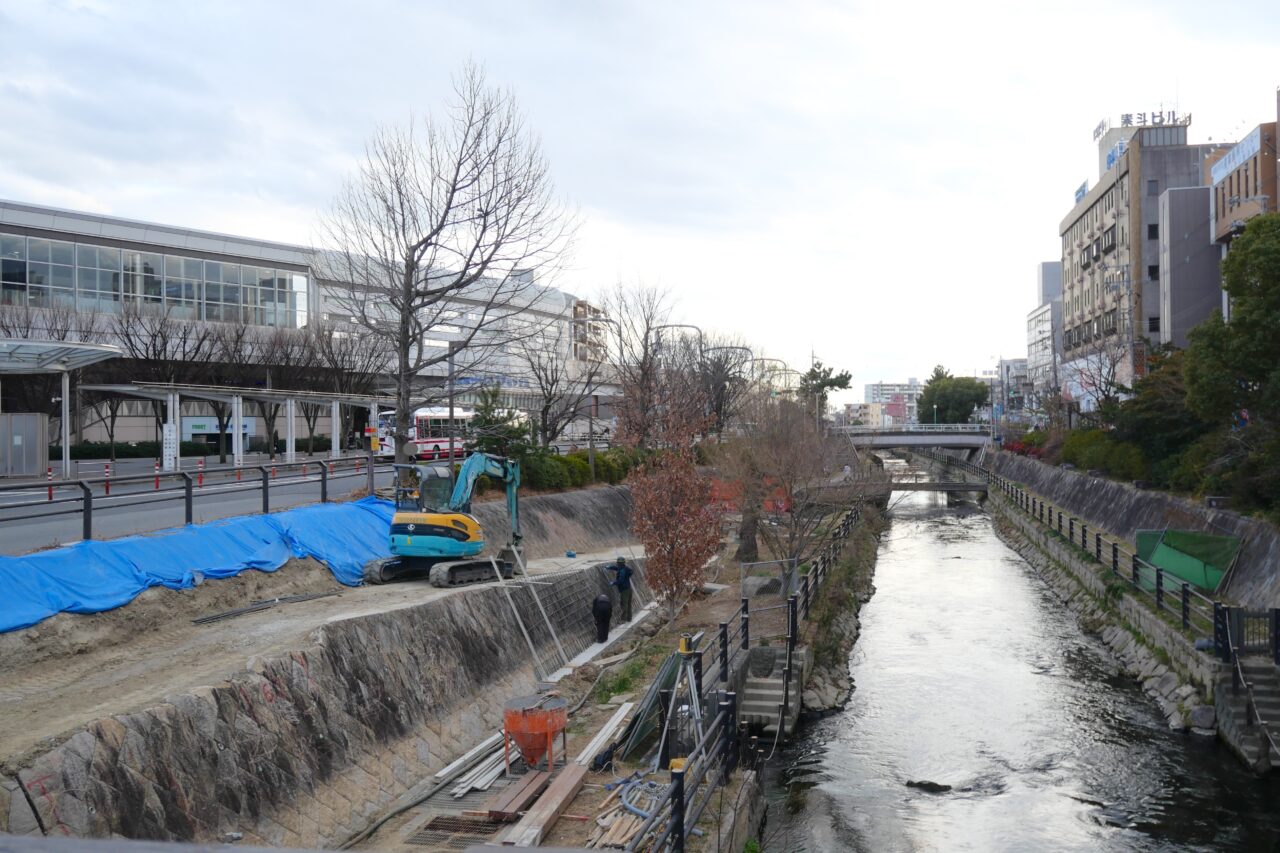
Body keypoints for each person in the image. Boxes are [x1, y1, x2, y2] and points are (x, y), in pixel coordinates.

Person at [607, 556, 633, 622]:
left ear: (619, 563)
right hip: (629, 589)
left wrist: (613, 583)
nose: (617, 564)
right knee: (628, 604)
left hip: (624, 591)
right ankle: (629, 618)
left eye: (618, 563)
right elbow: (617, 568)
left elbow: (620, 581)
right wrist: (610, 567)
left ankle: (623, 619)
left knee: (624, 605)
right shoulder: (625, 569)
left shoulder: (622, 571)